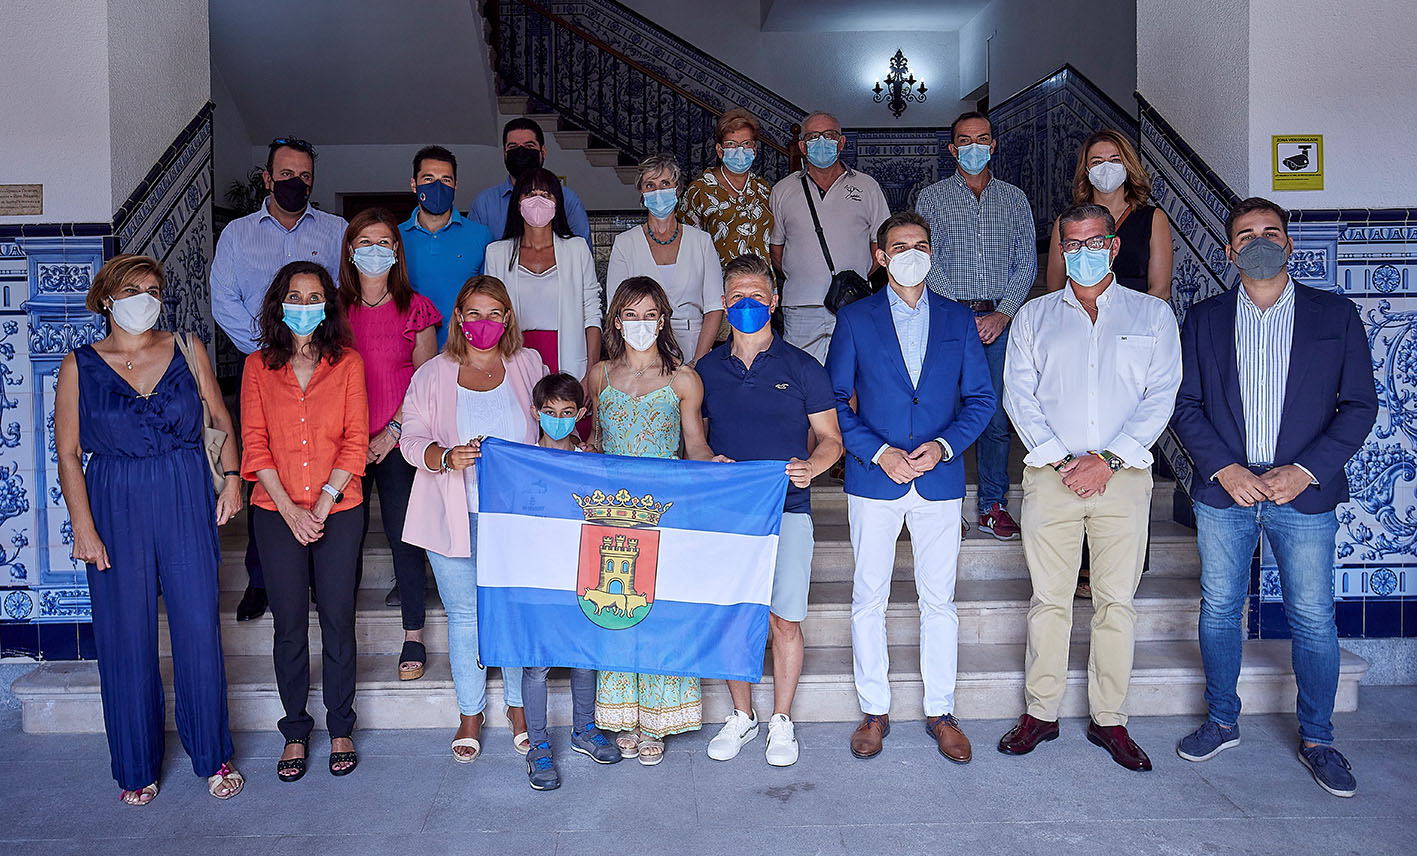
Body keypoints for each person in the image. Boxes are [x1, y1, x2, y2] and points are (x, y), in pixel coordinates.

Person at [1171, 197, 1377, 798]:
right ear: (1229, 250)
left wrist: (1306, 471)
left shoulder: (1334, 316)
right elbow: (1185, 405)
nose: (1260, 240)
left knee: (1312, 616)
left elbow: (1358, 405)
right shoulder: (1205, 317)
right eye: (1246, 234)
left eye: (1272, 232)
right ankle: (1221, 719)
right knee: (1219, 607)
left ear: (1289, 244)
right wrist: (1224, 468)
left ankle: (1318, 737)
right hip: (1226, 490)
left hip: (1302, 495)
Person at [998, 203, 1181, 772]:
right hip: (1050, 479)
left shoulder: (1152, 316)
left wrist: (1107, 460)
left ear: (1113, 246)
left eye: (1092, 241)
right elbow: (1018, 395)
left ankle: (1110, 719)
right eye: (1070, 244)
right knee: (1049, 599)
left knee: (1115, 602)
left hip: (1123, 479)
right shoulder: (1034, 316)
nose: (1081, 253)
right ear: (1061, 250)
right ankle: (1041, 712)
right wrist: (1062, 462)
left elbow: (1161, 395)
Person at [56, 255, 244, 804]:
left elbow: (219, 418)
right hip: (114, 501)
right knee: (124, 637)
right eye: (134, 288)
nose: (146, 297)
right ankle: (136, 765)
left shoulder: (187, 348)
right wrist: (83, 528)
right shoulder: (79, 365)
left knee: (196, 630)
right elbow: (68, 455)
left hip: (184, 491)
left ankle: (212, 754)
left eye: (154, 288)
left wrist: (232, 480)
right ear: (107, 298)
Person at [825, 212, 996, 762]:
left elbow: (980, 400)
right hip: (875, 478)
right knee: (868, 596)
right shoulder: (854, 319)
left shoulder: (957, 320)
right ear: (880, 255)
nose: (910, 254)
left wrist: (943, 447)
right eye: (899, 246)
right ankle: (874, 710)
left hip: (939, 478)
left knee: (938, 600)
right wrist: (879, 451)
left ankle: (941, 710)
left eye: (920, 245)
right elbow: (833, 403)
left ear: (932, 252)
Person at [699, 254, 843, 767]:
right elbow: (691, 440)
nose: (746, 304)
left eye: (756, 296)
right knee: (737, 616)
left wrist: (811, 465)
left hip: (789, 509)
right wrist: (706, 460)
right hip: (727, 515)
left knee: (783, 619)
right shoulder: (705, 370)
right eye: (736, 296)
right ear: (723, 302)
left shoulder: (803, 367)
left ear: (774, 302)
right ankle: (742, 715)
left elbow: (831, 441)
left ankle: (780, 719)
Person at [399, 275, 540, 764]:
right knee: (464, 617)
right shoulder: (433, 374)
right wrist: (444, 456)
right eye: (473, 313)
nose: (483, 323)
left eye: (494, 313)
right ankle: (470, 713)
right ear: (458, 317)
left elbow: (546, 431)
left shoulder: (527, 364)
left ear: (508, 319)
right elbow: (410, 439)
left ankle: (520, 709)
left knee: (515, 610)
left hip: (516, 518)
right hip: (451, 511)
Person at [210, 135, 348, 622]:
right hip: (264, 372)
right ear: (267, 178)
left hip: (325, 373)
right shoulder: (239, 235)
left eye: (305, 176)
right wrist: (272, 349)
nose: (295, 183)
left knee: (322, 467)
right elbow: (223, 298)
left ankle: (317, 576)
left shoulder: (336, 231)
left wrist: (314, 349)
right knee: (267, 470)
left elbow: (346, 299)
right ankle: (262, 578)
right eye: (285, 174)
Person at [241, 261, 368, 781]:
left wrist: (320, 504)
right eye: (295, 297)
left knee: (338, 620)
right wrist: (292, 509)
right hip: (276, 512)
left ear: (327, 306)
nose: (304, 307)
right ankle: (295, 728)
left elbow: (356, 440)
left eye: (314, 297)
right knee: (289, 625)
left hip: (339, 508)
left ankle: (341, 726)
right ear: (279, 304)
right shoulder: (256, 367)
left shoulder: (348, 364)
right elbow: (254, 444)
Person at [589, 276, 715, 765]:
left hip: (663, 512)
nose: (640, 324)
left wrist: (715, 463)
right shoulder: (599, 375)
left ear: (663, 320)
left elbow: (695, 444)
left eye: (650, 315)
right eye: (630, 315)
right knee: (617, 611)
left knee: (656, 611)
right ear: (615, 321)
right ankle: (623, 713)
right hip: (611, 516)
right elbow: (597, 440)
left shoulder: (683, 378)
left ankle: (658, 720)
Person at [1046, 130, 1175, 598]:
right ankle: (1081, 564)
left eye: (1113, 158)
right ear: (1084, 169)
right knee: (1079, 438)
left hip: (1134, 339)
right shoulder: (1068, 220)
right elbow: (1055, 285)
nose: (1104, 166)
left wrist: (1130, 327)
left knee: (1128, 449)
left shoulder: (1151, 218)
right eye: (1095, 159)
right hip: (1081, 334)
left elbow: (1159, 288)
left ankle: (1125, 562)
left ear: (1129, 165)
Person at [915, 111, 1036, 541]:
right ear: (952, 148)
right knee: (940, 412)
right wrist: (962, 315)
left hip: (1000, 323)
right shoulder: (931, 198)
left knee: (994, 416)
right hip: (948, 319)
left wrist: (1003, 312)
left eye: (981, 139)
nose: (973, 147)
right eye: (964, 141)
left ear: (993, 144)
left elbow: (1027, 261)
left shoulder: (1015, 199)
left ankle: (991, 504)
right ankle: (942, 506)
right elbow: (924, 258)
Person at [339, 207, 442, 676]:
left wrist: (393, 431)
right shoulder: (332, 311)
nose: (374, 251)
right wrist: (357, 439)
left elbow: (428, 378)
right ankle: (342, 641)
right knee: (345, 540)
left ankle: (413, 636)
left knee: (406, 535)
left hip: (402, 437)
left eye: (384, 242)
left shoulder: (416, 308)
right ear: (350, 250)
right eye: (365, 243)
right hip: (346, 442)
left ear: (396, 251)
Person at [520, 372, 623, 789]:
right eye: (549, 413)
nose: (558, 420)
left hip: (583, 572)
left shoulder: (591, 460)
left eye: (567, 413)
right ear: (535, 413)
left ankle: (584, 729)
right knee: (538, 663)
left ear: (581, 414)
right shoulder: (520, 461)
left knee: (584, 653)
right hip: (538, 577)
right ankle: (538, 746)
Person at [769, 111, 890, 364]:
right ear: (802, 146)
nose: (822, 141)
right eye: (813, 136)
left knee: (854, 377)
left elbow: (883, 242)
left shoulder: (867, 187)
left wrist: (856, 278)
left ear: (842, 142)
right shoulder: (782, 190)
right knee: (802, 378)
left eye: (830, 135)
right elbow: (776, 250)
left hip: (853, 304)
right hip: (801, 307)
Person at [484, 167, 603, 384]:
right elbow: (491, 316)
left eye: (546, 195)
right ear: (517, 203)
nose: (538, 200)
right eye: (529, 194)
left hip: (568, 356)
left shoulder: (576, 249)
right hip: (514, 357)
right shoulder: (496, 253)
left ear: (557, 203)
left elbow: (592, 314)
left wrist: (590, 372)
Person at [607, 153, 724, 363]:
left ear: (678, 190)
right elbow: (616, 308)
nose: (658, 191)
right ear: (642, 193)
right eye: (650, 185)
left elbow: (714, 307)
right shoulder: (625, 243)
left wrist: (698, 361)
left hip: (693, 344)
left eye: (665, 183)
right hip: (640, 349)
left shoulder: (701, 241)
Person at [679, 108, 776, 342]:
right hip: (719, 293)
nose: (739, 151)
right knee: (726, 352)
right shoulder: (700, 190)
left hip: (760, 292)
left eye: (746, 144)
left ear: (754, 149)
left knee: (760, 349)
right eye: (732, 144)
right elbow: (686, 247)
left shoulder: (764, 190)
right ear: (720, 150)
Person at [400, 145, 494, 346]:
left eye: (445, 180)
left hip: (465, 349)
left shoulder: (481, 235)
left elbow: (490, 297)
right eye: (428, 179)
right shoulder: (395, 237)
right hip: (409, 347)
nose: (437, 186)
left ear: (455, 186)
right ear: (414, 185)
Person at [470, 117, 592, 243]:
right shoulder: (484, 203)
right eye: (513, 147)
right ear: (505, 153)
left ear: (542, 152)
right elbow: (474, 254)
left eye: (529, 145)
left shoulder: (568, 199)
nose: (521, 152)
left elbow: (582, 253)